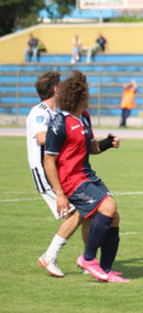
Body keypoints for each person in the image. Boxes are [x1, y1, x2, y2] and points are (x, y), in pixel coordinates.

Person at [44, 70, 129, 283]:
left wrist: (108, 143)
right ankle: (87, 259)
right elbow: (49, 160)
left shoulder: (85, 118)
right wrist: (60, 194)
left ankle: (105, 270)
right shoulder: (59, 123)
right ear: (78, 96)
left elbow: (91, 147)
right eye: (87, 93)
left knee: (113, 216)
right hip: (71, 180)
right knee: (108, 206)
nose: (89, 96)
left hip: (87, 176)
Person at [27, 72, 88, 278]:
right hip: (45, 172)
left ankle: (89, 260)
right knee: (81, 211)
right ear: (55, 89)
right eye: (60, 85)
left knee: (88, 211)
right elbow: (43, 137)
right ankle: (50, 256)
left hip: (60, 171)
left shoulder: (59, 113)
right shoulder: (40, 111)